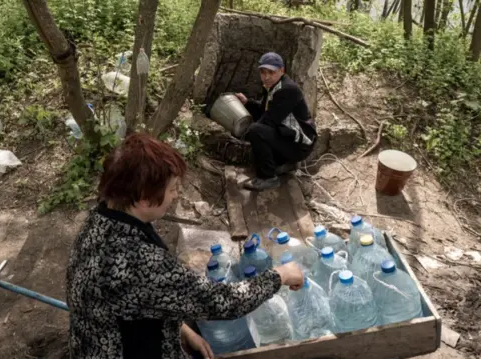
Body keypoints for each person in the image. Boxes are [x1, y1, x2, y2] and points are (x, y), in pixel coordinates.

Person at [66, 132, 304, 359]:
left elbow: (133, 298)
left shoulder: (99, 220)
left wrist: (181, 329)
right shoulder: (137, 261)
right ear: (144, 199)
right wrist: (279, 276)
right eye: (172, 189)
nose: (176, 196)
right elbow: (222, 302)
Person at [235, 52, 317, 191]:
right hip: (288, 137)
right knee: (256, 152)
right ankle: (286, 164)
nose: (266, 77)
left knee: (256, 131)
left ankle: (268, 178)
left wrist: (246, 132)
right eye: (263, 72)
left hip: (300, 145)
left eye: (271, 72)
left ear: (281, 70)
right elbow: (264, 111)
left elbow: (269, 121)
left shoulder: (287, 89)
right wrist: (247, 102)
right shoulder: (273, 86)